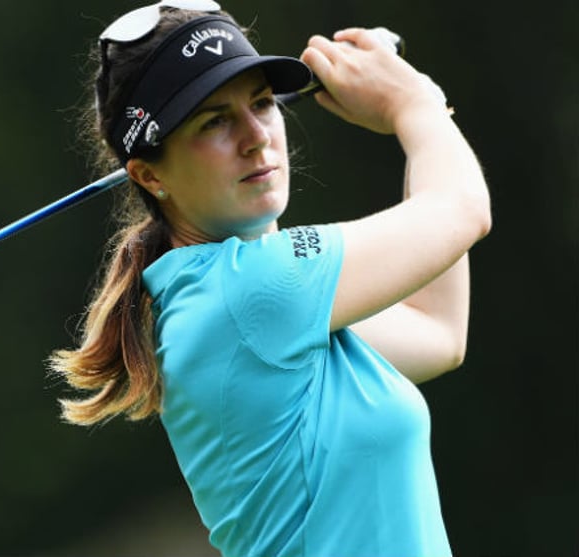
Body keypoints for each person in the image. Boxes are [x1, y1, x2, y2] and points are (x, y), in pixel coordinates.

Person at [48, 1, 491, 556]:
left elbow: (436, 331)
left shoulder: (246, 302)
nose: (256, 135)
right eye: (215, 121)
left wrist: (422, 112)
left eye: (261, 103)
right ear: (149, 175)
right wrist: (413, 106)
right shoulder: (250, 294)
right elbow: (463, 210)